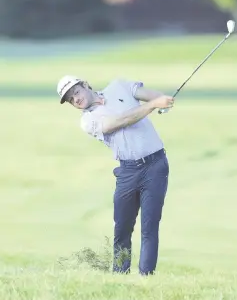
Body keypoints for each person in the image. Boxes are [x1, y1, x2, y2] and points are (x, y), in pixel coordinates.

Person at [56, 75, 174, 275]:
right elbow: (120, 121)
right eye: (70, 99)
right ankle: (120, 276)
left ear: (85, 85)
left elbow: (150, 95)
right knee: (122, 229)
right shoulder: (88, 120)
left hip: (156, 165)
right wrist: (154, 105)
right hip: (128, 171)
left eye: (75, 92)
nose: (75, 99)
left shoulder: (119, 87)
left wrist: (163, 100)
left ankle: (146, 278)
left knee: (150, 226)